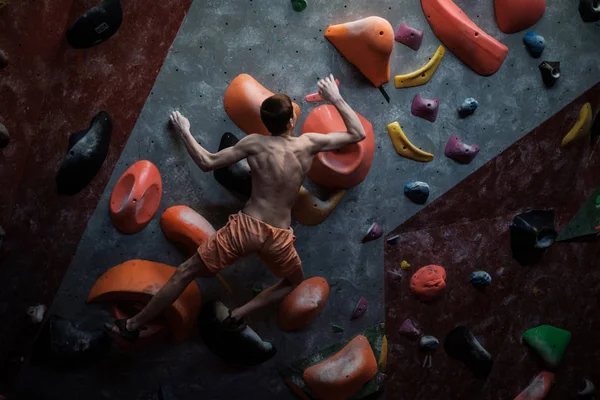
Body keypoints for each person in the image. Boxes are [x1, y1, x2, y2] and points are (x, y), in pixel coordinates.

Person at [110, 74, 367, 339]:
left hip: (247, 228)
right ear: (291, 121)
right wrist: (335, 97)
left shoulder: (254, 143)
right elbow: (357, 133)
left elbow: (207, 162)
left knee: (185, 272)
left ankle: (132, 325)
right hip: (278, 236)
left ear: (266, 124)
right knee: (293, 282)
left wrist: (184, 130)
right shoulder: (308, 143)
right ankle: (239, 314)